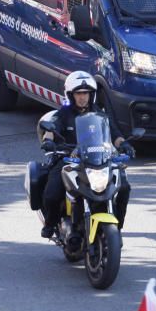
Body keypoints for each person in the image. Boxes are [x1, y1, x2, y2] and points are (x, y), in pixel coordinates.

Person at [39, 71, 132, 239]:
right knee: (52, 193)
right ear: (71, 95)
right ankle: (50, 223)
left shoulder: (100, 114)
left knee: (124, 187)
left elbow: (115, 134)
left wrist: (124, 144)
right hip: (68, 158)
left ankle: (117, 226)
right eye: (79, 94)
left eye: (86, 93)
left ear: (92, 95)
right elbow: (51, 129)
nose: (83, 97)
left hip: (98, 160)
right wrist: (48, 141)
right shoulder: (64, 114)